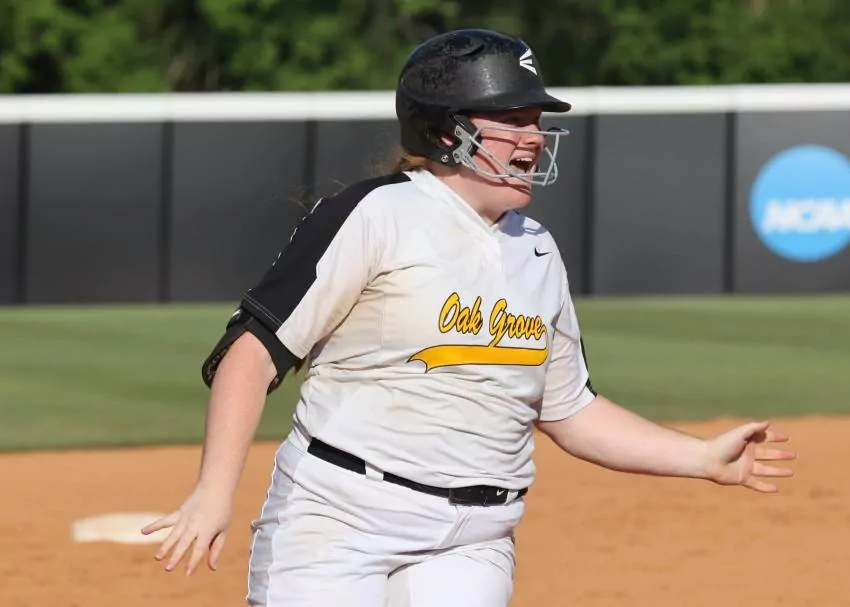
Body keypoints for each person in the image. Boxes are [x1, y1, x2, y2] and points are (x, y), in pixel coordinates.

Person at [142, 28, 796, 607]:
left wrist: (701, 457)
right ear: (446, 131)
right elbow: (253, 352)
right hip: (341, 520)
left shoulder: (536, 250)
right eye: (512, 118)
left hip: (475, 542)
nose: (533, 137)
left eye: (535, 120)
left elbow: (569, 410)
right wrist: (213, 493)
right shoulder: (378, 214)